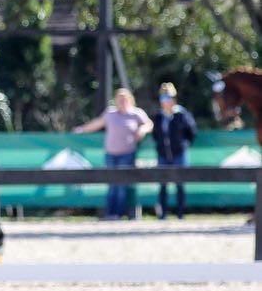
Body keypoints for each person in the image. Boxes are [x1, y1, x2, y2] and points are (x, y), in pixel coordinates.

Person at [72, 88, 154, 219]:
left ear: (130, 99)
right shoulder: (110, 113)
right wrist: (81, 129)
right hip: (111, 155)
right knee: (111, 185)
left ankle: (119, 213)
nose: (122, 101)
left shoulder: (136, 113)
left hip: (127, 154)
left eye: (124, 98)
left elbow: (149, 124)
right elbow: (96, 124)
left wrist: (142, 129)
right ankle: (111, 213)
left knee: (121, 185)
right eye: (119, 99)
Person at [151, 82, 197, 219]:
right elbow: (156, 135)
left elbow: (192, 132)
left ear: (173, 99)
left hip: (179, 154)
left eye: (168, 98)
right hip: (163, 155)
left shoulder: (181, 114)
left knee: (180, 184)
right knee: (162, 184)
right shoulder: (158, 117)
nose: (165, 101)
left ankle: (180, 214)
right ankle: (163, 214)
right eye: (162, 98)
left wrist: (183, 145)